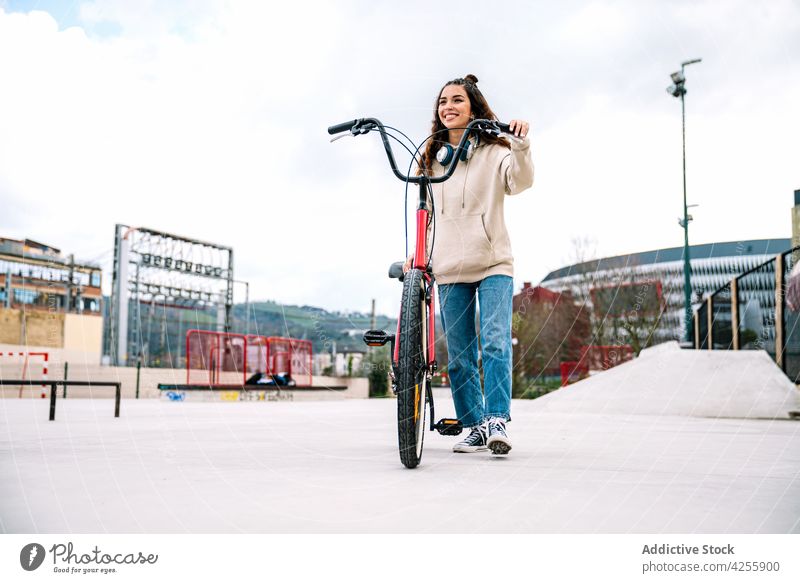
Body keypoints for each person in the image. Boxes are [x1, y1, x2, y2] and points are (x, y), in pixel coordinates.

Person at [404, 74, 533, 455]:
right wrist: (419, 253)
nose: (449, 107)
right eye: (443, 101)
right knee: (459, 355)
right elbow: (427, 215)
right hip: (450, 266)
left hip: (493, 261)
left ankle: (497, 421)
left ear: (473, 107)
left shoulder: (495, 152)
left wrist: (521, 145)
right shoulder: (431, 158)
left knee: (494, 342)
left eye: (457, 100)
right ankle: (475, 424)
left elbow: (521, 182)